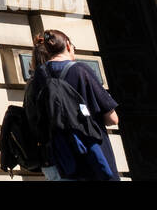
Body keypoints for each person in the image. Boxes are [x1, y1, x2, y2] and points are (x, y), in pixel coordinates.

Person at [25, 29, 121, 181]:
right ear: (68, 45)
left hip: (62, 160)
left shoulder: (38, 77)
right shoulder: (81, 70)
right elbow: (112, 119)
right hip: (93, 157)